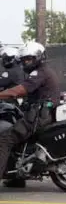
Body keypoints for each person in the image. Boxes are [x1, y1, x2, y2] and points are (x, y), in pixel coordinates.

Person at [0, 42, 60, 188]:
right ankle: (16, 178)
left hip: (39, 116)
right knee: (17, 140)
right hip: (41, 113)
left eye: (29, 59)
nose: (26, 62)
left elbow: (20, 90)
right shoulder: (44, 71)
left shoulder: (39, 73)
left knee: (5, 139)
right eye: (25, 59)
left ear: (38, 57)